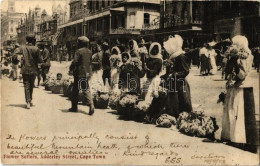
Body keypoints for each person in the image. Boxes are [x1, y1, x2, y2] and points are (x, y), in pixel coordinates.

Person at [221, 35, 259, 153]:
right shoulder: (234, 56)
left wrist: (236, 62)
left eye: (235, 44)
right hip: (234, 87)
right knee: (232, 112)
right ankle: (233, 138)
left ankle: (243, 140)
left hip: (243, 87)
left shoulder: (247, 55)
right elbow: (228, 73)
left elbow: (242, 74)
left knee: (241, 114)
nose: (233, 46)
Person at [162, 35, 192, 118]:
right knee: (173, 100)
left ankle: (182, 116)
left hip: (180, 83)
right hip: (173, 82)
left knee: (182, 100)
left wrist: (174, 74)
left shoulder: (181, 56)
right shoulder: (173, 56)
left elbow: (185, 71)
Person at [69, 36, 94, 115]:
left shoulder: (78, 51)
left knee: (75, 90)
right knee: (86, 88)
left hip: (79, 73)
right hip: (87, 73)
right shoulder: (90, 52)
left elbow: (75, 62)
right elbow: (90, 62)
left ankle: (74, 107)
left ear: (80, 43)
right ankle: (91, 104)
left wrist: (71, 68)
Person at [20, 34, 43, 109]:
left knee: (26, 85)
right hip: (33, 70)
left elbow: (16, 53)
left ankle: (28, 101)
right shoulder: (36, 49)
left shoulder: (23, 48)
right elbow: (40, 60)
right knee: (31, 85)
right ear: (33, 40)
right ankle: (29, 100)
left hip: (25, 69)